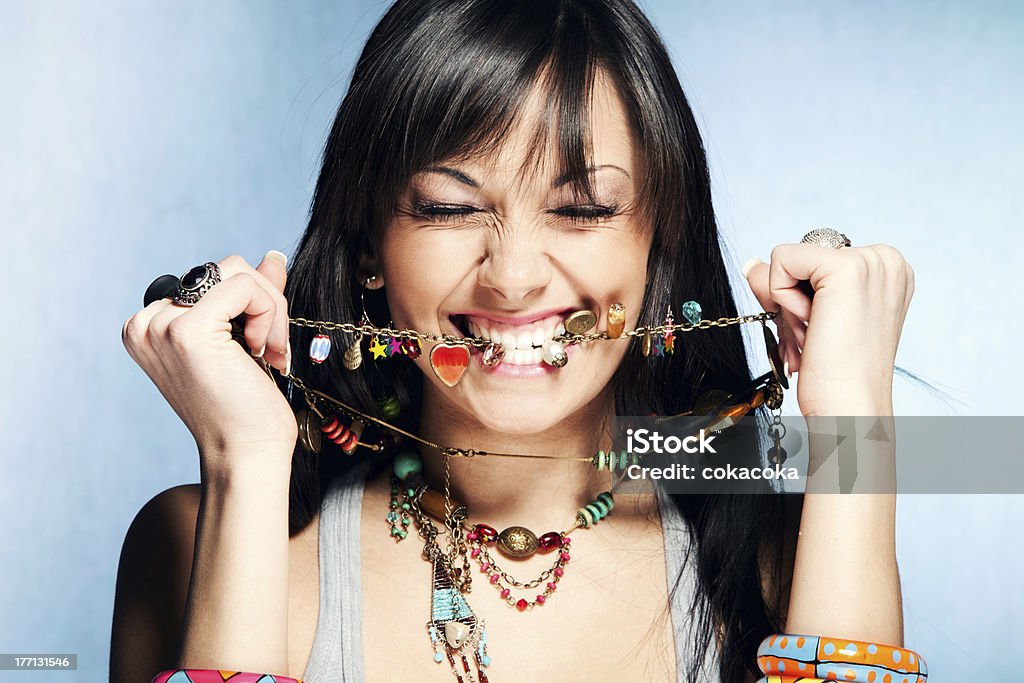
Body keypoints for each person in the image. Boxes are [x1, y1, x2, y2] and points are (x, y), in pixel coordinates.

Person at [111, 1, 922, 682]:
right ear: (368, 250)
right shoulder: (201, 540)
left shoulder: (787, 559)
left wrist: (856, 421)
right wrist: (244, 458)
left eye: (581, 209)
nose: (515, 276)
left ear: (657, 244)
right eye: (449, 207)